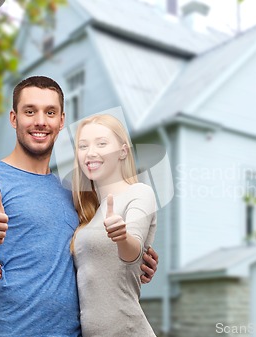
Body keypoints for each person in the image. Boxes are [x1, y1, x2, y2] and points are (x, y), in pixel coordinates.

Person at [0, 76, 158, 336]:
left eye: (50, 112)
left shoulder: (74, 194)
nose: (40, 121)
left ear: (61, 121)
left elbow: (97, 248)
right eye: (30, 111)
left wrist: (139, 260)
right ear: (13, 118)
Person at [70, 114, 157, 336]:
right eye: (83, 146)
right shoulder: (90, 214)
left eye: (101, 143)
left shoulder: (139, 193)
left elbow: (134, 252)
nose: (90, 152)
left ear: (123, 151)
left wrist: (122, 237)